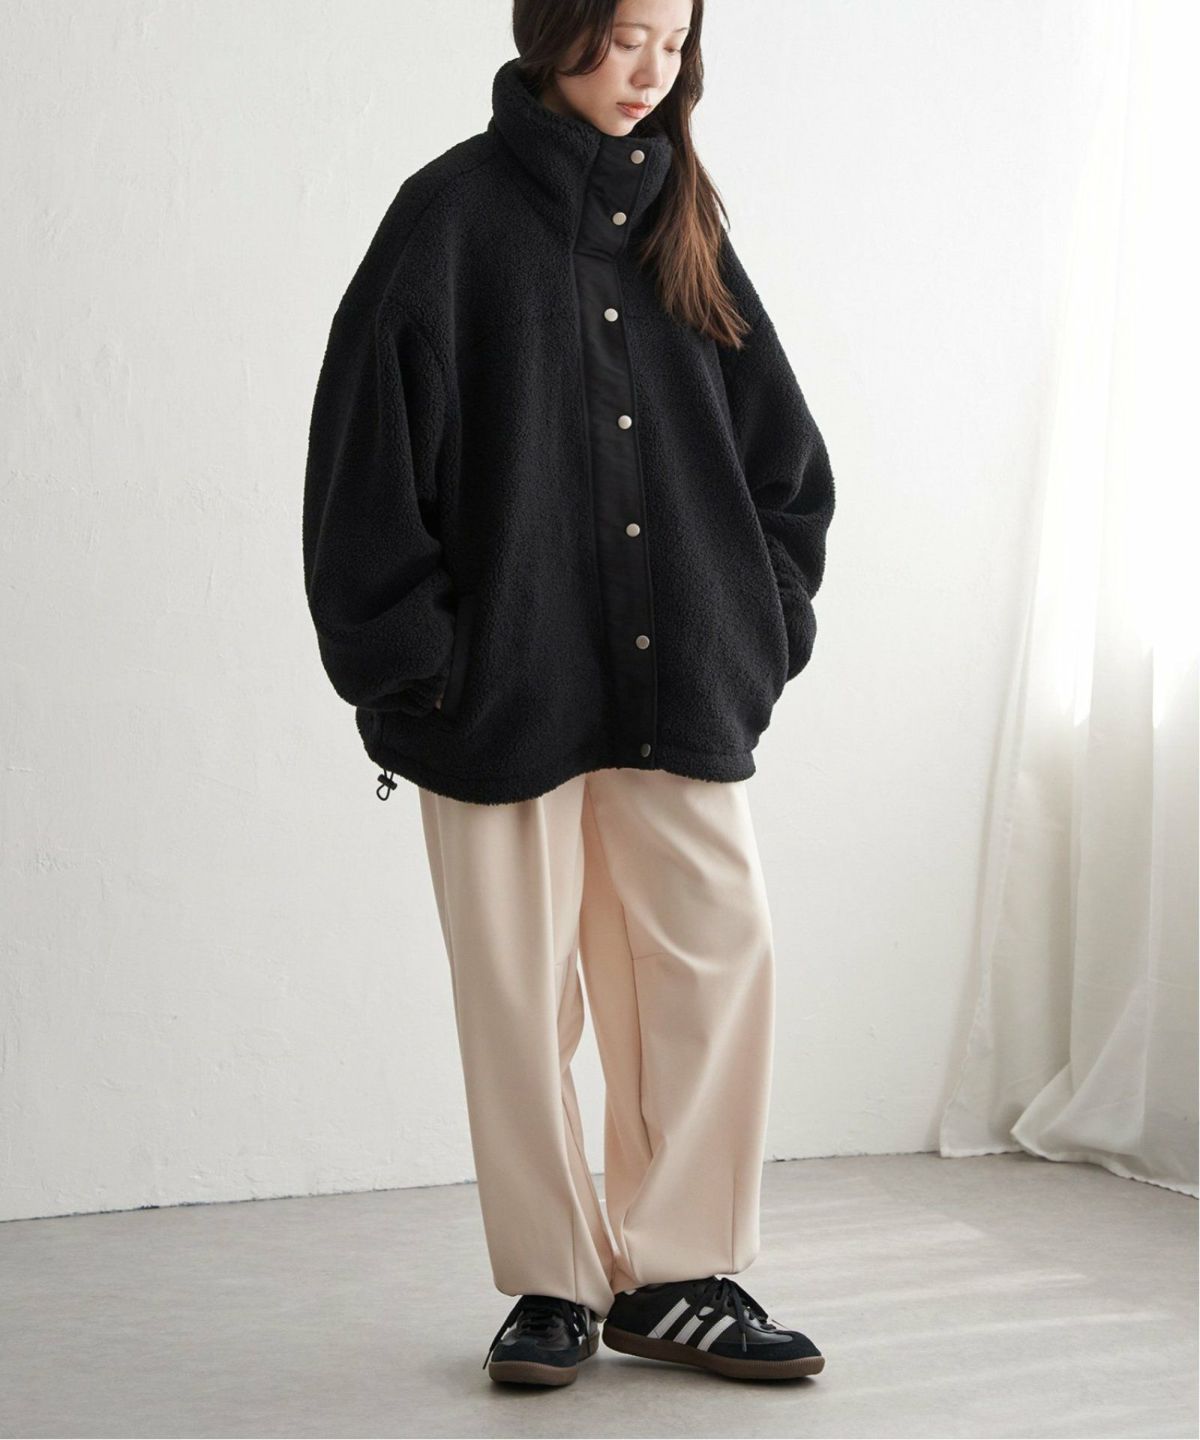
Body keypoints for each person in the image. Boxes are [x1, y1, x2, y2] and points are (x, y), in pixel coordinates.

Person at [303, 0, 835, 1388]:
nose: (651, 68)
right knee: (518, 992)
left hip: (681, 680)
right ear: (558, 26)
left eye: (675, 40)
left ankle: (679, 1274)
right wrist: (414, 665)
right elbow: (365, 458)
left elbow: (782, 453)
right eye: (626, 34)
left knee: (711, 957)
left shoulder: (684, 220)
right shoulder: (448, 219)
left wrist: (765, 621)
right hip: (498, 696)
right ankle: (552, 1282)